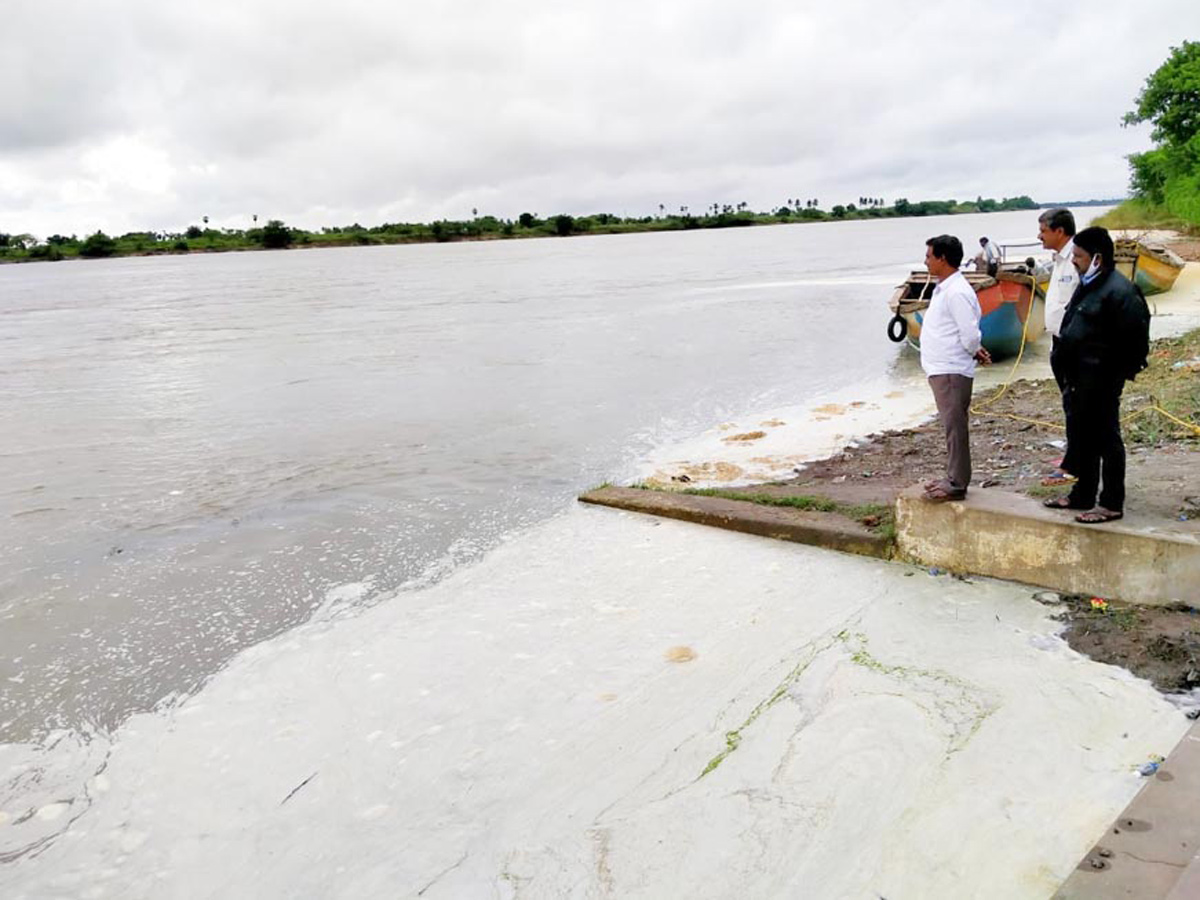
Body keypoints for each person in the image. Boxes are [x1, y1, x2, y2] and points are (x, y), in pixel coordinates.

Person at [1043, 226, 1150, 524]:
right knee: (1082, 435)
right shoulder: (1088, 283)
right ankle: (1083, 494)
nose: (1073, 260)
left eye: (1078, 255)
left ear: (1097, 258)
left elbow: (1136, 343)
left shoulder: (1121, 291)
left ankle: (1112, 502)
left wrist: (1111, 376)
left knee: (1107, 438)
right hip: (1078, 379)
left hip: (1101, 380)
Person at [920, 235, 992, 502]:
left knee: (954, 426)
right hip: (942, 367)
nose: (925, 261)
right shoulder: (945, 287)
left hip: (951, 369)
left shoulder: (957, 291)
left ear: (942, 258)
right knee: (951, 425)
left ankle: (957, 482)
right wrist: (976, 349)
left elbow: (970, 333)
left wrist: (975, 349)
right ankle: (952, 475)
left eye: (929, 256)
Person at [1037, 208, 1080, 482]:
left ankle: (1074, 462)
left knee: (1075, 404)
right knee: (1069, 403)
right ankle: (1074, 456)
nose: (1039, 236)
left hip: (1074, 344)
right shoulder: (1059, 260)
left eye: (1043, 230)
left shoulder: (1078, 258)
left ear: (1059, 231)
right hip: (1058, 342)